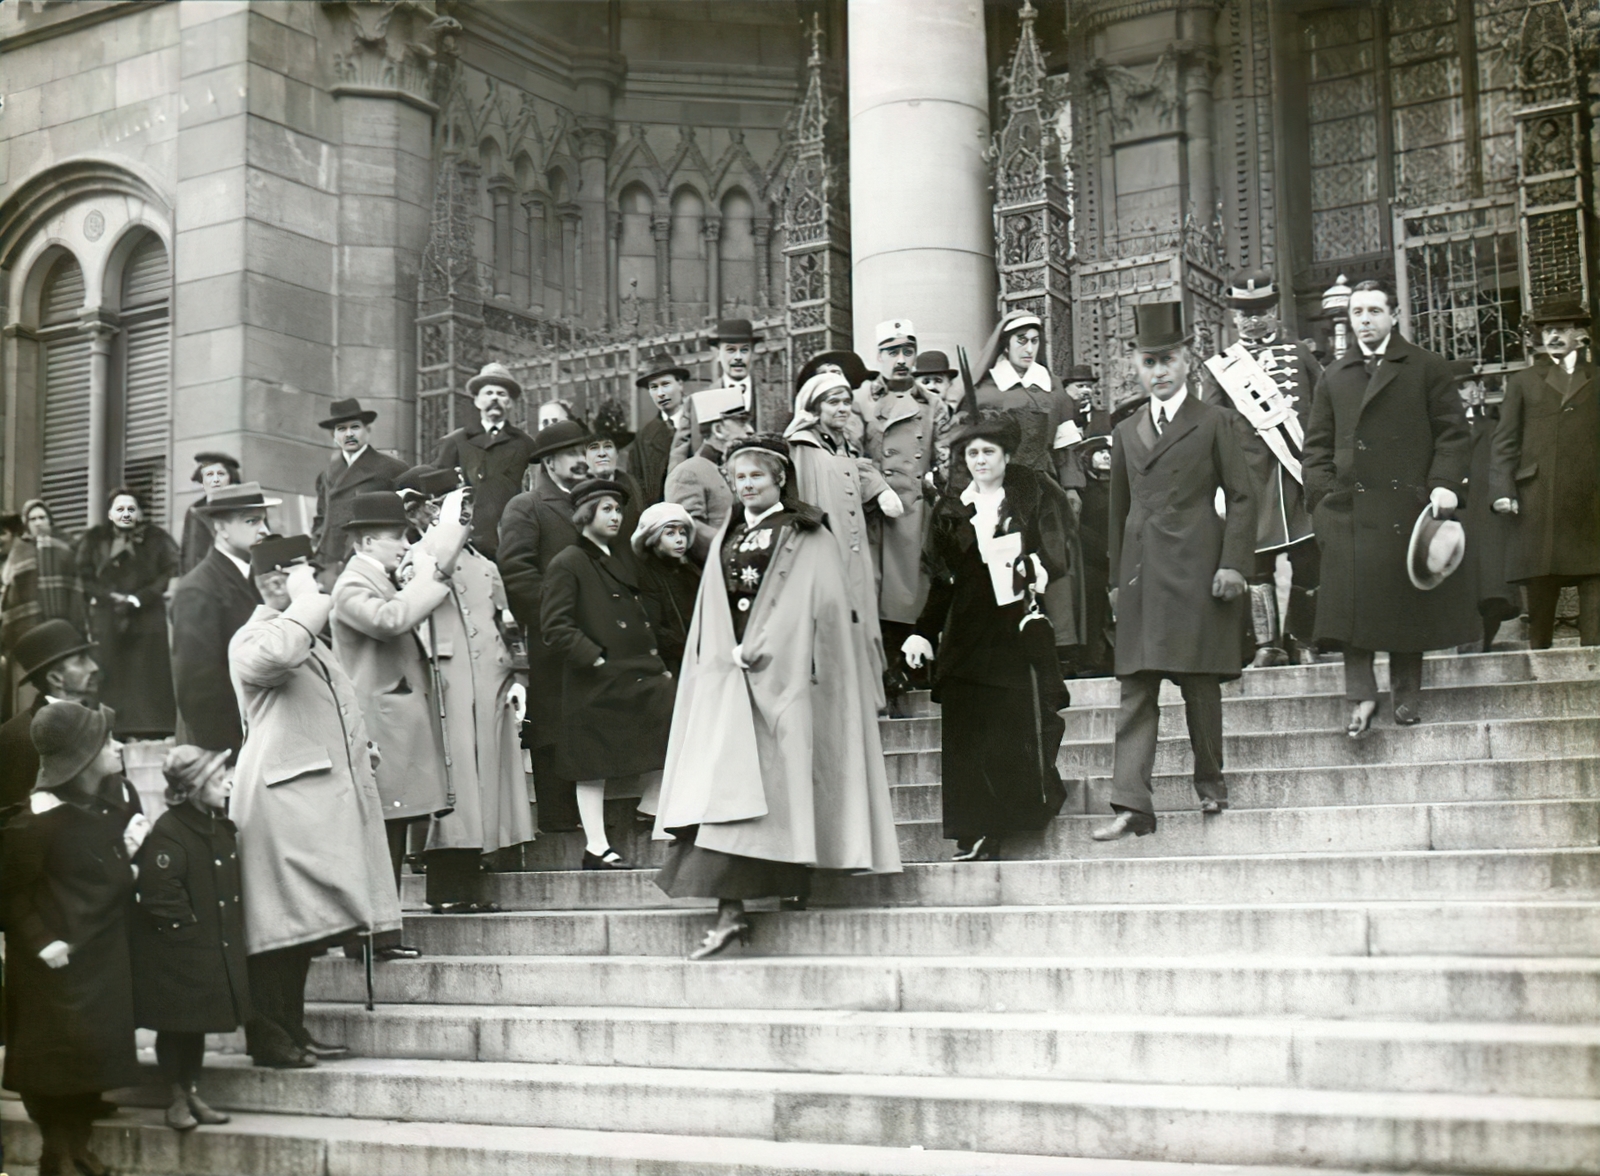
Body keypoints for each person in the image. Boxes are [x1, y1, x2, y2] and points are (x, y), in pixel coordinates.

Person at [652, 436, 901, 960]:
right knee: (734, 790)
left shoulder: (806, 532)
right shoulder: (730, 532)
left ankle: (782, 889)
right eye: (739, 478)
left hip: (786, 679)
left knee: (782, 786)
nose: (746, 486)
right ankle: (733, 911)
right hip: (733, 680)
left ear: (779, 480)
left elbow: (821, 605)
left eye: (756, 478)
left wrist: (764, 647)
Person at [230, 535, 404, 1066]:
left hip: (312, 803)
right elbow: (278, 656)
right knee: (279, 928)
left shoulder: (309, 638)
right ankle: (269, 1036)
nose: (322, 584)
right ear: (279, 581)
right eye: (307, 572)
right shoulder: (255, 635)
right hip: (280, 806)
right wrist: (306, 598)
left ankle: (293, 1030)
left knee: (303, 929)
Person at [1093, 303, 1255, 841]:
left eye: (1168, 361)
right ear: (1135, 366)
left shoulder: (1215, 422)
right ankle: (1132, 803)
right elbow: (1117, 513)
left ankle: (1210, 780)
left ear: (1189, 361)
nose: (1158, 372)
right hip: (1140, 572)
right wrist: (1116, 582)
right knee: (1136, 687)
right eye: (1148, 362)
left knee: (1199, 682)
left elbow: (1242, 497)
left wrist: (1234, 564)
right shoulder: (1125, 430)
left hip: (1198, 565)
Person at [1303, 281, 1476, 734]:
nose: (1364, 319)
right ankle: (1361, 696)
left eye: (1375, 310)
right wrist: (1321, 497)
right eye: (1357, 311)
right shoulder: (1334, 375)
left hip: (1406, 504)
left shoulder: (1425, 366)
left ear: (1394, 315)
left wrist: (1443, 485)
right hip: (1349, 511)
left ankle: (1406, 696)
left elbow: (1454, 433)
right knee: (1349, 609)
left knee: (1405, 605)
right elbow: (1317, 445)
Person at [902, 412, 1070, 861]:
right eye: (971, 453)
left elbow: (1057, 551)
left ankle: (1011, 819)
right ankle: (975, 828)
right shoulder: (952, 508)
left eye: (988, 452)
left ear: (1006, 455)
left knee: (1012, 726)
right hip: (966, 634)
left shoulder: (1030, 497)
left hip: (1014, 631)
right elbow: (942, 579)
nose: (979, 460)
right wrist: (922, 632)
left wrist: (1036, 567)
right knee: (967, 735)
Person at [2, 700, 147, 1176]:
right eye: (107, 742)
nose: (118, 746)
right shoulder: (34, 823)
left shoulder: (107, 806)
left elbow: (104, 878)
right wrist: (43, 940)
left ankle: (78, 1149)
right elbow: (9, 894)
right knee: (52, 1067)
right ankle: (55, 1153)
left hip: (99, 964)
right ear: (83, 759)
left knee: (89, 1062)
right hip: (52, 971)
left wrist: (129, 857)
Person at [401, 471, 534, 912]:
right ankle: (448, 887)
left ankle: (479, 868)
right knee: (455, 780)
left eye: (463, 505)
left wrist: (519, 674)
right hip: (446, 678)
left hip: (489, 677)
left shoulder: (485, 562)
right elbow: (430, 571)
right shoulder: (417, 554)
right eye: (445, 504)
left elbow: (507, 621)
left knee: (486, 777)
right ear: (424, 511)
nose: (462, 514)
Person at [542, 479, 677, 867]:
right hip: (596, 680)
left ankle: (659, 817)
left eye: (618, 510)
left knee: (669, 732)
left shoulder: (610, 559)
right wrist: (595, 659)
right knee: (592, 764)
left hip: (631, 675)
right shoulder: (568, 561)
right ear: (586, 515)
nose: (616, 516)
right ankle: (596, 846)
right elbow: (555, 626)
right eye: (607, 510)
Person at [331, 491, 453, 903]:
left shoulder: (376, 578)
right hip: (380, 724)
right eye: (396, 537)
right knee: (385, 833)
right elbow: (388, 620)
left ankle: (385, 932)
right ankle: (377, 935)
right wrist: (427, 582)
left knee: (394, 830)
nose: (406, 544)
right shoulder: (351, 583)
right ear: (365, 542)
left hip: (394, 723)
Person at [1201, 269, 1323, 666]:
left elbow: (1324, 410)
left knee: (1310, 558)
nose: (1254, 318)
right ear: (1233, 317)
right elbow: (1213, 426)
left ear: (1274, 310)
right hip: (1251, 477)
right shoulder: (1221, 367)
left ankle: (1303, 639)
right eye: (1245, 312)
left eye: (1261, 310)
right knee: (1256, 562)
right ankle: (1267, 646)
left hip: (1298, 471)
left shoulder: (1300, 354)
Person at [130, 745, 246, 1130]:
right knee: (177, 1025)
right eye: (218, 779)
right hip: (178, 951)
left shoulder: (215, 824)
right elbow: (162, 894)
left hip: (208, 945)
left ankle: (191, 1091)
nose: (228, 783)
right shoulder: (170, 831)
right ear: (194, 787)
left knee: (194, 1024)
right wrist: (189, 933)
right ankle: (176, 1097)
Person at [967, 311, 1089, 658]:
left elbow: (1066, 447)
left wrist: (1071, 488)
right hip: (1003, 488)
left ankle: (1063, 644)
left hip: (1045, 485)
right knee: (1007, 559)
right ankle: (1010, 640)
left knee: (1055, 555)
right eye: (1022, 340)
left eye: (1035, 340)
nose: (1029, 347)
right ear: (1005, 343)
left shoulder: (1054, 389)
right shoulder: (987, 391)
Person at [498, 418, 597, 836]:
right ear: (550, 462)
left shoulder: (592, 503)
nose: (583, 461)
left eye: (585, 452)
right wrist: (557, 619)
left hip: (596, 635)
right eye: (574, 453)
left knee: (592, 719)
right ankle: (557, 815)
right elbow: (516, 571)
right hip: (552, 636)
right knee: (553, 722)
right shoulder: (528, 505)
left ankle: (591, 811)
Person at [1490, 297, 1598, 647]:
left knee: (1595, 581)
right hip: (1539, 499)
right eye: (1548, 330)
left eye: (1562, 329)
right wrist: (1502, 491)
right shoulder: (1523, 382)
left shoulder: (1596, 378)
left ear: (1580, 335)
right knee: (1540, 590)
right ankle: (1538, 661)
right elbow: (1504, 443)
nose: (1553, 336)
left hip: (1590, 499)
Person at [785, 371, 900, 691]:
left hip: (855, 550)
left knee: (862, 618)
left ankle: (867, 694)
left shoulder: (846, 447)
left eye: (847, 402)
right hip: (823, 551)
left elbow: (860, 475)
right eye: (833, 402)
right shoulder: (802, 447)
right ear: (814, 408)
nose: (843, 408)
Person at [855, 319, 942, 678]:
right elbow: (852, 455)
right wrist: (878, 488)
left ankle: (914, 668)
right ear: (878, 356)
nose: (901, 359)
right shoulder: (860, 400)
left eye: (908, 351)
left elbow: (947, 452)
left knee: (914, 593)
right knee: (877, 594)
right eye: (892, 352)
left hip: (918, 513)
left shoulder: (933, 404)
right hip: (875, 513)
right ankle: (885, 672)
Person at [170, 483, 274, 758]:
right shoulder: (198, 589)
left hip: (263, 738)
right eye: (252, 521)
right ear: (221, 527)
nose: (264, 530)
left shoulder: (258, 579)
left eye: (264, 520)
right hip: (229, 747)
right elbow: (197, 690)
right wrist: (226, 754)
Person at [74, 487, 179, 737]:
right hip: (107, 618)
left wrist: (137, 598)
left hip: (146, 618)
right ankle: (111, 730)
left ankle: (150, 731)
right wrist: (108, 596)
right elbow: (83, 575)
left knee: (146, 676)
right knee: (110, 675)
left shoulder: (158, 539)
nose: (126, 514)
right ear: (110, 514)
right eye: (120, 509)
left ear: (140, 513)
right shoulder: (94, 540)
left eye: (131, 509)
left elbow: (169, 572)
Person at [433, 363, 540, 558]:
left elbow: (534, 490)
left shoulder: (525, 444)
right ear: (476, 400)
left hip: (509, 539)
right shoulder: (456, 441)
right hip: (464, 543)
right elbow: (439, 495)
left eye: (501, 394)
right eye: (488, 393)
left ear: (510, 402)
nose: (494, 398)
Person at [0, 621, 100, 824]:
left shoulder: (94, 718)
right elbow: (16, 825)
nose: (94, 667)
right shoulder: (22, 738)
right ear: (55, 678)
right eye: (81, 660)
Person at [1455, 365, 1520, 652]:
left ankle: (1483, 642)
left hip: (1486, 517)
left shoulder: (1493, 427)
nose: (1464, 392)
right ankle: (1468, 644)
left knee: (1492, 588)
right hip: (1452, 519)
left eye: (1467, 385)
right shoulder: (1431, 431)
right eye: (1455, 388)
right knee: (1459, 587)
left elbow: (1504, 464)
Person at [311, 398, 410, 574]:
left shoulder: (392, 468)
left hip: (368, 558)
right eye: (341, 429)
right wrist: (316, 547)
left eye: (355, 427)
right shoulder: (326, 474)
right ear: (334, 436)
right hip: (329, 560)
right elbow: (321, 517)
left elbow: (408, 515)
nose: (349, 434)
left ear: (368, 430)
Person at [664, 387, 754, 562]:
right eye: (742, 422)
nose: (750, 429)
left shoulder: (739, 469)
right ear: (718, 429)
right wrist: (738, 552)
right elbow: (688, 528)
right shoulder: (687, 472)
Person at [0, 499, 87, 656]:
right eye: (33, 519)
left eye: (42, 517)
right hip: (31, 623)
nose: (38, 523)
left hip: (63, 622)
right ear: (26, 524)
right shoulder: (18, 553)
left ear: (50, 520)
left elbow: (76, 588)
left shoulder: (67, 550)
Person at [631, 503, 701, 676]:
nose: (679, 539)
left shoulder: (690, 572)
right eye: (670, 533)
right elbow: (655, 629)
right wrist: (691, 646)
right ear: (653, 540)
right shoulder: (647, 577)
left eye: (682, 533)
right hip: (670, 664)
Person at [632, 352, 694, 504]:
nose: (660, 393)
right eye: (653, 387)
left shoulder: (699, 422)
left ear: (680, 384)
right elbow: (639, 489)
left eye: (665, 384)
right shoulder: (645, 437)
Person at [180, 452, 242, 574]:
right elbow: (185, 552)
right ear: (202, 479)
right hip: (198, 582)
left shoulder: (243, 507)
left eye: (221, 474)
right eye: (209, 474)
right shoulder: (193, 510)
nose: (215, 480)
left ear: (231, 478)